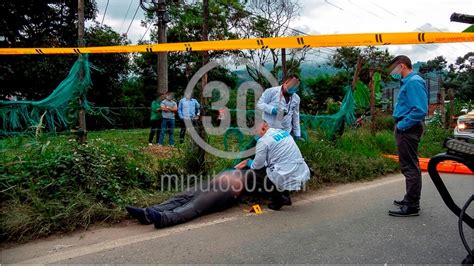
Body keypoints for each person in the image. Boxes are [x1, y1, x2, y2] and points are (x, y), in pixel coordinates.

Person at [126, 169, 247, 229]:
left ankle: (164, 219)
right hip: (217, 182)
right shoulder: (253, 146)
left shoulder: (260, 160)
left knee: (197, 203)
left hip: (228, 191)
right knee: (184, 195)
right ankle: (147, 214)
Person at [235, 120, 310, 210]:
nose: (255, 136)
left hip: (284, 172)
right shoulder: (282, 132)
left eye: (255, 132)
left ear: (262, 129)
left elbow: (257, 166)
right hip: (299, 170)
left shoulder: (263, 141)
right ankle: (286, 197)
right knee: (275, 168)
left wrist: (247, 162)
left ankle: (278, 198)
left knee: (252, 173)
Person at [387, 55, 428, 217]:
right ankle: (409, 199)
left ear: (402, 66)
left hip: (408, 128)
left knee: (410, 166)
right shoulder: (409, 81)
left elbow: (419, 110)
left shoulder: (413, 82)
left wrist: (402, 126)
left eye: (394, 69)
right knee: (409, 164)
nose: (393, 73)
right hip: (406, 126)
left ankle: (412, 204)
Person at [257, 74, 302, 141]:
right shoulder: (271, 91)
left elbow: (296, 116)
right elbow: (259, 104)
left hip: (285, 131)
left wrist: (297, 133)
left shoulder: (296, 98)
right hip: (269, 129)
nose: (292, 90)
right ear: (285, 82)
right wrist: (272, 110)